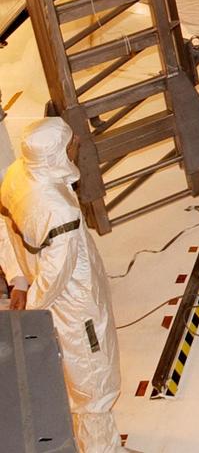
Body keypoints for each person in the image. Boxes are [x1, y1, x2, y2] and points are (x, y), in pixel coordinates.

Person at [0, 118, 123, 452]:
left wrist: (19, 281)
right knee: (94, 384)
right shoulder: (58, 209)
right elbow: (57, 275)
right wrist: (32, 315)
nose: (78, 140)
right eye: (71, 140)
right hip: (76, 308)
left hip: (46, 294)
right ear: (55, 153)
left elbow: (5, 229)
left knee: (72, 376)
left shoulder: (15, 175)